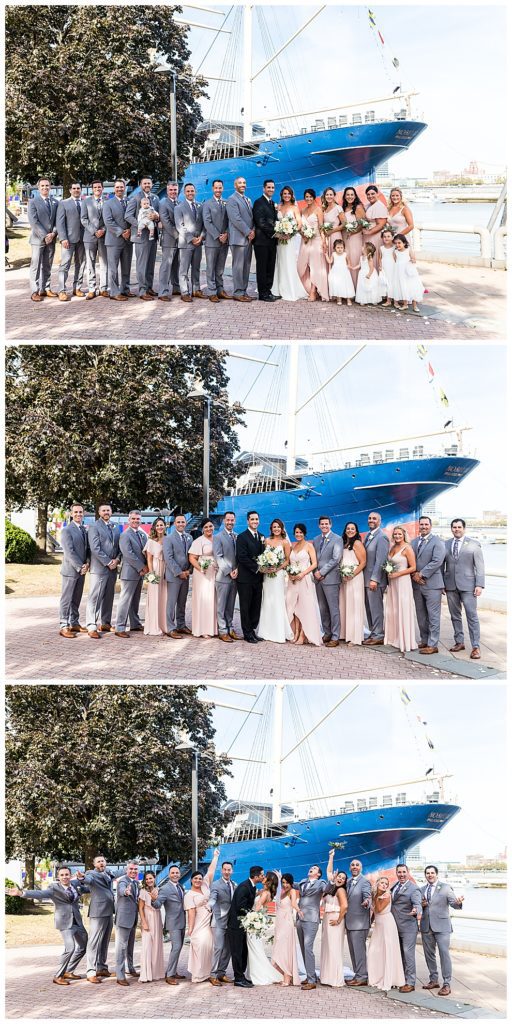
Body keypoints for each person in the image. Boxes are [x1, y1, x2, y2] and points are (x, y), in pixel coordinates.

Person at [8, 866, 89, 985]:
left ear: (70, 876)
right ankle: (58, 976)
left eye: (67, 874)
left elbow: (87, 889)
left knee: (83, 946)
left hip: (77, 921)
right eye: (62, 875)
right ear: (58, 877)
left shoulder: (75, 884)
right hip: (65, 922)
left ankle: (69, 971)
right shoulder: (54, 888)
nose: (64, 877)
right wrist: (21, 893)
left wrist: (86, 880)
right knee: (70, 948)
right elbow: (40, 893)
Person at [77, 855, 125, 983]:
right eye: (98, 861)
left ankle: (102, 967)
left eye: (103, 861)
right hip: (98, 912)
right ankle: (91, 971)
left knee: (105, 941)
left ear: (106, 862)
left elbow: (117, 873)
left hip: (109, 911)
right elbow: (87, 879)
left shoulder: (108, 872)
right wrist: (82, 878)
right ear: (94, 864)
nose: (101, 863)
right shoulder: (91, 873)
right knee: (93, 942)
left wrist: (130, 867)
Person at [443, 518, 485, 660]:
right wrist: (443, 583)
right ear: (451, 529)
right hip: (450, 586)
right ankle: (459, 642)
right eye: (454, 527)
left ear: (464, 528)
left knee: (472, 616)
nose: (456, 529)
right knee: (455, 616)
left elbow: (480, 567)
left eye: (459, 527)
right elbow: (442, 565)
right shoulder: (446, 544)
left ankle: (475, 646)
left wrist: (479, 585)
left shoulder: (474, 544)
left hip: (469, 586)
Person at [420, 864, 464, 997]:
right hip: (426, 926)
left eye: (432, 873)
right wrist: (421, 906)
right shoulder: (421, 889)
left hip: (442, 927)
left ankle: (446, 983)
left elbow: (454, 904)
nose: (430, 875)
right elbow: (417, 906)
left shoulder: (445, 888)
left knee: (444, 954)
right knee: (429, 955)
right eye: (427, 873)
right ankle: (434, 980)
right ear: (425, 875)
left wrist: (458, 902)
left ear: (436, 874)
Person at [184, 849, 220, 983]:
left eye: (200, 878)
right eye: (196, 879)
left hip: (209, 923)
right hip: (199, 924)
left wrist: (215, 857)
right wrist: (191, 929)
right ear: (191, 881)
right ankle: (198, 974)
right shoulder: (189, 895)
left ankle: (206, 973)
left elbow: (210, 871)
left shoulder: (205, 885)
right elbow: (191, 913)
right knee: (199, 947)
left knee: (208, 948)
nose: (198, 880)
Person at [411, 516, 446, 655]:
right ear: (418, 526)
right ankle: (424, 640)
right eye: (421, 524)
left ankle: (433, 644)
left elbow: (437, 561)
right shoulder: (413, 542)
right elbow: (410, 561)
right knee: (421, 615)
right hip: (416, 584)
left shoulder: (438, 542)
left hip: (432, 584)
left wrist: (421, 574)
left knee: (433, 615)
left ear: (430, 526)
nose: (424, 527)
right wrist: (414, 574)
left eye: (426, 524)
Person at [85, 503, 121, 638]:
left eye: (108, 510)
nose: (106, 512)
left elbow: (119, 547)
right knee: (95, 597)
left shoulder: (116, 527)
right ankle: (91, 625)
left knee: (109, 596)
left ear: (111, 512)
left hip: (113, 568)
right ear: (99, 513)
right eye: (103, 510)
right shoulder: (94, 526)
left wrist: (117, 560)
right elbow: (95, 548)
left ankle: (105, 622)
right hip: (99, 568)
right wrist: (107, 562)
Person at [227, 865, 265, 987]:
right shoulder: (244, 887)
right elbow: (240, 907)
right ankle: (238, 978)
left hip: (243, 925)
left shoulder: (252, 887)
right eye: (262, 875)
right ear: (256, 876)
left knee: (243, 951)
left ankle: (241, 975)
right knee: (237, 952)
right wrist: (253, 915)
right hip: (235, 926)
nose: (263, 877)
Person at [257, 518, 294, 643]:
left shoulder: (285, 542)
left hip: (278, 576)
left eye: (278, 527)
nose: (276, 529)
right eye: (274, 527)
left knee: (278, 601)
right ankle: (265, 631)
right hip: (267, 576)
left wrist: (277, 568)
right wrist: (266, 566)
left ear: (282, 528)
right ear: (271, 529)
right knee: (267, 600)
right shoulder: (266, 541)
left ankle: (278, 631)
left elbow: (287, 560)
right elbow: (262, 556)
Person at [285, 523, 322, 646]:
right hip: (293, 580)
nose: (298, 534)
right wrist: (290, 573)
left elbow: (314, 563)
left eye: (301, 532)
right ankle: (295, 632)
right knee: (294, 607)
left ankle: (303, 634)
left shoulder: (309, 546)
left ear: (304, 533)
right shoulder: (293, 547)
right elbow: (290, 563)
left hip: (304, 579)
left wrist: (303, 574)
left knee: (304, 607)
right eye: (296, 532)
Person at [384, 525, 418, 653]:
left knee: (402, 609)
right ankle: (394, 637)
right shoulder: (393, 547)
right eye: (395, 534)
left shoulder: (407, 548)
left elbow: (413, 567)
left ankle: (405, 640)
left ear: (404, 535)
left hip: (402, 582)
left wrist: (398, 574)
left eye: (399, 534)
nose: (397, 536)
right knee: (393, 609)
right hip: (393, 583)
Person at [125, 175, 160, 300]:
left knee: (150, 264)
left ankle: (149, 287)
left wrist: (156, 218)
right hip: (141, 236)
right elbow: (128, 216)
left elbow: (158, 216)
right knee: (142, 265)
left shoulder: (155, 198)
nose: (147, 185)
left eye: (149, 183)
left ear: (151, 184)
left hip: (152, 236)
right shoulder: (135, 198)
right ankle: (142, 291)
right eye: (145, 183)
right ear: (141, 184)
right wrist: (141, 224)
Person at [367, 877, 405, 991]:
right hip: (379, 925)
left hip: (387, 924)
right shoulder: (375, 895)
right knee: (374, 951)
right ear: (377, 883)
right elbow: (374, 913)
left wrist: (378, 898)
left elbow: (378, 909)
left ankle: (390, 978)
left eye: (386, 884)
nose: (384, 885)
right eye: (382, 883)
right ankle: (377, 975)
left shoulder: (386, 895)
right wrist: (370, 922)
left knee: (387, 950)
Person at [152, 865, 188, 985]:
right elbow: (158, 904)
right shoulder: (165, 888)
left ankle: (174, 970)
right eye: (173, 873)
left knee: (178, 948)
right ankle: (170, 975)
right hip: (173, 923)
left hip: (182, 921)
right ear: (169, 875)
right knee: (176, 947)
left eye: (177, 872)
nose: (175, 875)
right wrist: (153, 899)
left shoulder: (180, 886)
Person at [271, 185, 307, 301]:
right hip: (279, 240)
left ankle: (290, 288)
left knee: (288, 261)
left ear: (292, 196)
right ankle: (278, 288)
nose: (286, 196)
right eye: (284, 194)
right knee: (279, 261)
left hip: (289, 239)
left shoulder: (295, 208)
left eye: (289, 194)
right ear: (281, 195)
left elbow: (299, 223)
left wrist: (290, 234)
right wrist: (280, 233)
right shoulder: (278, 207)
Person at [390, 863, 422, 993]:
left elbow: (417, 903)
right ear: (396, 873)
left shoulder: (414, 888)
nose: (401, 874)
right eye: (399, 872)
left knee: (408, 954)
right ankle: (401, 978)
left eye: (404, 872)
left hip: (408, 926)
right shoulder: (394, 886)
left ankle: (410, 982)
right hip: (394, 926)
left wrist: (416, 910)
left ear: (408, 872)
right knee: (399, 954)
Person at [115, 510, 148, 637]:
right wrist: (141, 567)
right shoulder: (125, 535)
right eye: (133, 519)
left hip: (140, 573)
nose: (135, 521)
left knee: (135, 600)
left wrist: (147, 567)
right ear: (129, 520)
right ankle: (120, 627)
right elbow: (128, 554)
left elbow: (145, 552)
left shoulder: (142, 535)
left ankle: (135, 623)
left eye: (138, 519)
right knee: (125, 600)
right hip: (129, 573)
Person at [59, 502, 89, 638]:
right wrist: (79, 566)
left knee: (76, 598)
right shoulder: (66, 530)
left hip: (82, 570)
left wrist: (87, 564)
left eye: (80, 512)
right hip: (71, 571)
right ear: (71, 514)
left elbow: (87, 550)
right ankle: (63, 625)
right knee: (67, 599)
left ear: (83, 513)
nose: (78, 514)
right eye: (76, 512)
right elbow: (69, 552)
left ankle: (74, 623)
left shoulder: (83, 529)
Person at [246, 871, 282, 985]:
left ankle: (257, 973)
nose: (263, 878)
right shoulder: (267, 892)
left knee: (254, 949)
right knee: (256, 948)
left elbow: (257, 907)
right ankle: (252, 972)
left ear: (269, 880)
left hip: (254, 923)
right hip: (259, 922)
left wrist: (249, 919)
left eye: (265, 877)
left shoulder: (265, 893)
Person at [236, 511, 266, 643]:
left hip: (258, 579)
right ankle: (247, 633)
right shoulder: (242, 537)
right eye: (252, 519)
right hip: (245, 578)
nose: (255, 521)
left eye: (256, 519)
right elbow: (241, 557)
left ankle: (252, 630)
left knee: (256, 606)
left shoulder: (262, 536)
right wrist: (257, 568)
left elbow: (264, 555)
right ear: (248, 521)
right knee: (246, 606)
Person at [27, 176, 59, 301]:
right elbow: (33, 221)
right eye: (42, 186)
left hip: (51, 239)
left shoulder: (55, 202)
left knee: (47, 265)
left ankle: (45, 288)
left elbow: (58, 220)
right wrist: (45, 236)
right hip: (38, 239)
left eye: (47, 185)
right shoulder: (33, 202)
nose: (45, 187)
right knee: (35, 265)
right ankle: (35, 291)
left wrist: (53, 234)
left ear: (50, 187)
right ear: (38, 187)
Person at [103, 178, 135, 301]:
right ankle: (114, 292)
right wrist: (121, 232)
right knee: (113, 268)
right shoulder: (108, 204)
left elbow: (134, 218)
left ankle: (125, 289)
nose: (120, 189)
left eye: (121, 187)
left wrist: (130, 231)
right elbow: (108, 221)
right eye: (117, 187)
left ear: (125, 188)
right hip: (113, 240)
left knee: (126, 267)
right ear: (114, 189)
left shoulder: (130, 202)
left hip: (128, 240)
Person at [313, 516, 343, 647]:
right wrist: (316, 573)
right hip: (318, 579)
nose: (324, 526)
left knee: (333, 608)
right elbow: (313, 558)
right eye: (322, 524)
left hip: (331, 579)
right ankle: (327, 633)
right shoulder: (316, 539)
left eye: (326, 524)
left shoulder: (337, 539)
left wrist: (322, 572)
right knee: (323, 608)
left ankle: (335, 636)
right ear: (319, 526)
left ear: (330, 525)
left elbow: (336, 559)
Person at [162, 515, 193, 639]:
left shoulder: (190, 537)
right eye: (178, 522)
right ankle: (170, 628)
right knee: (171, 602)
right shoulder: (168, 539)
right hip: (174, 575)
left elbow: (192, 556)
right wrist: (179, 572)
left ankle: (181, 625)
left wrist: (189, 571)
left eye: (183, 522)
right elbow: (168, 558)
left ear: (185, 523)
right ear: (175, 523)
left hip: (186, 575)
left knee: (182, 602)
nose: (181, 524)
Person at [296, 863, 326, 989]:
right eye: (311, 868)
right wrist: (280, 878)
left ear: (318, 874)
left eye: (314, 869)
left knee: (308, 948)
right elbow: (291, 884)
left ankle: (312, 981)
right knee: (303, 948)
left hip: (311, 919)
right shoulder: (303, 881)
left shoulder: (321, 883)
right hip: (299, 919)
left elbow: (328, 889)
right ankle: (310, 975)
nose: (311, 869)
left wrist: (333, 880)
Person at [362, 511, 390, 646]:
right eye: (369, 518)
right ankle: (373, 633)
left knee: (376, 608)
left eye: (374, 518)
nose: (371, 520)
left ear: (380, 521)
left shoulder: (382, 537)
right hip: (366, 579)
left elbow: (381, 560)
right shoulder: (368, 535)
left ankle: (379, 635)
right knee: (369, 608)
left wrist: (375, 579)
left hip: (375, 580)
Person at [320, 853, 347, 987]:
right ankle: (326, 977)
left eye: (343, 878)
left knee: (334, 948)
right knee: (327, 947)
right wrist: (331, 857)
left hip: (335, 921)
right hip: (326, 920)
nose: (341, 879)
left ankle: (334, 978)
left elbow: (345, 906)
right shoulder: (331, 888)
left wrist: (338, 920)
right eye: (339, 876)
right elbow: (329, 871)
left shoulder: (341, 890)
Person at [56, 181, 86, 300]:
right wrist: (63, 238)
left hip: (83, 239)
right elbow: (60, 222)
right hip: (68, 239)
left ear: (81, 189)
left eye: (78, 188)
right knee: (65, 264)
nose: (76, 190)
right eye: (74, 188)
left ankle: (77, 288)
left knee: (81, 264)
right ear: (70, 190)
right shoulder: (63, 203)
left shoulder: (85, 202)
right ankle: (62, 290)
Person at [226, 176, 255, 301]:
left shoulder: (248, 199)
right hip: (238, 239)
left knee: (246, 266)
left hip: (248, 238)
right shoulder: (232, 200)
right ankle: (238, 293)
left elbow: (252, 217)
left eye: (244, 182)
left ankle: (244, 291)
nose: (242, 185)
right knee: (238, 267)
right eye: (240, 183)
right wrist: (249, 232)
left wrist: (253, 230)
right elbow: (235, 219)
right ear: (235, 185)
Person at [297, 188, 329, 301]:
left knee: (315, 266)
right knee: (303, 266)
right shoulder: (303, 210)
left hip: (316, 240)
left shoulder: (318, 210)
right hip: (305, 241)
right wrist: (303, 234)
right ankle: (305, 288)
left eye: (310, 197)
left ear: (314, 198)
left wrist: (324, 241)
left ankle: (313, 291)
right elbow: (299, 227)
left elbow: (321, 227)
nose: (308, 198)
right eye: (306, 197)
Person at [188, 518, 218, 638]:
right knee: (204, 599)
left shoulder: (217, 539)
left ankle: (213, 628)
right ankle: (203, 629)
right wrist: (201, 568)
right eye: (206, 527)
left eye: (210, 526)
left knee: (213, 599)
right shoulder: (198, 541)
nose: (208, 529)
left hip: (214, 572)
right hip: (202, 574)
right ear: (202, 529)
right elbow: (192, 558)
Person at [175, 182, 205, 301]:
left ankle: (196, 290)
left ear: (195, 192)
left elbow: (204, 224)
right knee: (184, 269)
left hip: (198, 243)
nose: (190, 193)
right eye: (188, 191)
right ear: (184, 193)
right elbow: (179, 226)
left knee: (196, 268)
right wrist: (191, 239)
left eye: (192, 191)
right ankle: (185, 292)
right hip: (186, 243)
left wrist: (201, 237)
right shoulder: (179, 208)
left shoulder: (200, 206)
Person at [202, 179, 231, 302]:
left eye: (220, 188)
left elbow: (231, 220)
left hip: (225, 241)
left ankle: (220, 290)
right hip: (212, 241)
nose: (218, 190)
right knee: (211, 268)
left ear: (223, 188)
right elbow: (207, 222)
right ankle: (212, 292)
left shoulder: (227, 202)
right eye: (216, 188)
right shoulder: (207, 204)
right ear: (212, 189)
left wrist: (226, 234)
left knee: (220, 268)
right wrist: (218, 236)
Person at [208, 860, 236, 985]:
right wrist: (209, 905)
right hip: (219, 922)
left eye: (229, 870)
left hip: (230, 923)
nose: (227, 872)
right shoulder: (215, 884)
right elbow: (213, 897)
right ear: (221, 870)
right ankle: (212, 975)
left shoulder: (234, 884)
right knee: (218, 948)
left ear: (232, 871)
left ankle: (221, 973)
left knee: (228, 949)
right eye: (225, 869)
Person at [213, 511, 239, 642]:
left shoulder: (237, 536)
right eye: (228, 520)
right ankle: (222, 631)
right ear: (224, 521)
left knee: (231, 605)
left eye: (232, 520)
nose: (230, 522)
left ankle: (230, 628)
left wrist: (237, 570)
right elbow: (218, 557)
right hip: (223, 577)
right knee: (221, 606)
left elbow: (239, 557)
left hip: (235, 577)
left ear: (235, 521)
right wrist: (229, 571)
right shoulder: (218, 537)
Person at [345, 859, 372, 987]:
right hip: (349, 922)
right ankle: (358, 975)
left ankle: (362, 977)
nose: (354, 867)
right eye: (352, 865)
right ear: (350, 868)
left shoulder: (365, 881)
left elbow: (368, 896)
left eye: (357, 865)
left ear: (361, 868)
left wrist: (367, 902)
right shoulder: (348, 882)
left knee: (359, 951)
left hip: (360, 922)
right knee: (353, 951)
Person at [339, 521, 366, 646]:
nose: (350, 530)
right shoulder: (345, 543)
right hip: (345, 579)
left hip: (354, 578)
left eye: (352, 529)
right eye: (348, 528)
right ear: (345, 530)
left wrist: (352, 574)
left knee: (354, 606)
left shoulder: (357, 543)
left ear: (356, 531)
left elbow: (363, 562)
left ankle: (355, 637)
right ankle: (345, 634)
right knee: (345, 605)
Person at [271, 871, 300, 986]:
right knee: (279, 948)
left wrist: (299, 910)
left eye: (287, 883)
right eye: (283, 882)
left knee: (285, 950)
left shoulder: (292, 891)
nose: (285, 885)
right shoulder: (282, 892)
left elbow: (293, 903)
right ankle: (281, 974)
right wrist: (278, 878)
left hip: (287, 924)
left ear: (291, 883)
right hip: (279, 923)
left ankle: (287, 976)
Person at [81, 178, 109, 299]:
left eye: (99, 187)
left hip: (104, 236)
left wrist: (103, 230)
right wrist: (94, 230)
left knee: (104, 263)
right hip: (90, 236)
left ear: (102, 188)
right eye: (95, 187)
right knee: (90, 263)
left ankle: (104, 288)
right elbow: (83, 219)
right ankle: (92, 289)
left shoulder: (108, 202)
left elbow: (109, 219)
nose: (97, 189)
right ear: (92, 189)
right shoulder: (86, 202)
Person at [252, 178, 279, 302]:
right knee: (262, 268)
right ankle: (262, 294)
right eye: (269, 187)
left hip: (272, 242)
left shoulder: (272, 203)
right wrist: (275, 234)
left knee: (270, 267)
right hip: (261, 242)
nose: (271, 189)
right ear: (264, 188)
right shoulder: (258, 202)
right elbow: (260, 222)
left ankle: (268, 291)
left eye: (273, 187)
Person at [114, 862, 141, 986]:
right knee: (121, 947)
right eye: (131, 869)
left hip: (133, 919)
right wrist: (125, 891)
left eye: (135, 869)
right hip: (124, 920)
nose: (133, 871)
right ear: (126, 870)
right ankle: (120, 975)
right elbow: (121, 891)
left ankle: (130, 968)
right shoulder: (123, 881)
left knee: (130, 946)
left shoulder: (136, 883)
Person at [138, 871, 165, 982]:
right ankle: (146, 974)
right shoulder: (143, 891)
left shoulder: (159, 890)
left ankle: (155, 973)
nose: (149, 881)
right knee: (147, 945)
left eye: (151, 878)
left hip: (157, 918)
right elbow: (140, 908)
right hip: (148, 918)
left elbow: (159, 905)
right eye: (147, 879)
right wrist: (144, 922)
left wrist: (155, 899)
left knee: (156, 946)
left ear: (154, 878)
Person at [143, 516, 167, 636]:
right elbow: (149, 560)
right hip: (156, 569)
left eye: (161, 525)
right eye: (157, 525)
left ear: (165, 526)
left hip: (166, 570)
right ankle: (153, 626)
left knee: (165, 597)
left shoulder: (168, 539)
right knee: (154, 597)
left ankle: (164, 624)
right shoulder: (151, 541)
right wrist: (152, 574)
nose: (159, 527)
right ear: (154, 528)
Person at [340, 185, 366, 290]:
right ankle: (348, 288)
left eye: (352, 194)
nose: (350, 197)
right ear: (344, 196)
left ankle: (356, 288)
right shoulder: (344, 208)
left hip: (355, 238)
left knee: (354, 260)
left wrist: (352, 232)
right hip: (345, 237)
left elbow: (362, 224)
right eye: (348, 195)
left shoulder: (358, 207)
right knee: (346, 260)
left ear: (355, 196)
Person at [158, 180, 180, 301]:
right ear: (167, 190)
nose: (173, 192)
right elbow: (165, 222)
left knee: (177, 265)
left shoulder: (180, 202)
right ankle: (163, 292)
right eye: (171, 190)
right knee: (166, 265)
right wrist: (178, 235)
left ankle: (176, 287)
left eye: (175, 190)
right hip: (169, 239)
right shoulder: (163, 204)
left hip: (180, 240)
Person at [391, 233, 424, 312]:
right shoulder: (395, 252)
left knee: (412, 287)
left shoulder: (408, 249)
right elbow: (396, 261)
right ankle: (405, 304)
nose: (397, 245)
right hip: (400, 272)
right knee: (403, 287)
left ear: (404, 243)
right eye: (396, 243)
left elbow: (414, 259)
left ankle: (415, 305)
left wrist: (412, 261)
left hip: (409, 272)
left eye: (399, 243)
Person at [362, 184, 388, 265]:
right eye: (368, 194)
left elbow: (381, 224)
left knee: (373, 257)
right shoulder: (369, 205)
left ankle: (375, 275)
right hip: (368, 236)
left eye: (373, 194)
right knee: (368, 257)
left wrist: (368, 232)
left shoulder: (379, 206)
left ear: (377, 194)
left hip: (375, 236)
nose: (370, 196)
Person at [326, 238, 355, 304]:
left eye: (341, 247)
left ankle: (348, 299)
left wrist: (349, 266)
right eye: (338, 247)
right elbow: (330, 261)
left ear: (344, 248)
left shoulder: (345, 254)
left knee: (346, 285)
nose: (340, 249)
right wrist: (326, 255)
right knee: (337, 284)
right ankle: (339, 298)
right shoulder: (333, 254)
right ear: (334, 248)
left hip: (344, 271)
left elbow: (349, 263)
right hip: (336, 272)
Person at [321, 186, 344, 264]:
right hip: (327, 237)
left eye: (331, 195)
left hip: (335, 236)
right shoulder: (324, 209)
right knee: (328, 257)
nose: (329, 196)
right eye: (327, 195)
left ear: (334, 196)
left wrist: (331, 231)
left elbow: (344, 224)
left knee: (336, 258)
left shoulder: (338, 208)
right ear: (324, 196)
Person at [377, 227, 396, 306]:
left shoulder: (395, 247)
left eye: (388, 236)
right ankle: (388, 300)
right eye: (384, 237)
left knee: (393, 283)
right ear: (382, 238)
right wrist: (380, 266)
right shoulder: (381, 248)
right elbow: (379, 258)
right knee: (386, 283)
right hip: (385, 267)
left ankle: (396, 301)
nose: (386, 238)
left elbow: (396, 258)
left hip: (393, 267)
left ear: (392, 237)